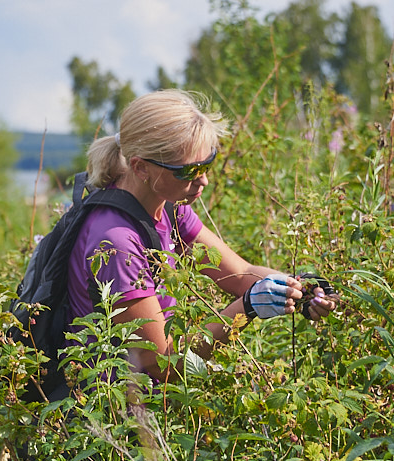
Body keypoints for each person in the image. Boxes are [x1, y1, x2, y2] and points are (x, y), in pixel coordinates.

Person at [66, 89, 337, 384]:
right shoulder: (117, 244)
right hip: (114, 410)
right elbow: (165, 365)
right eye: (189, 171)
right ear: (141, 167)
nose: (204, 180)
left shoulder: (167, 205)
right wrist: (247, 308)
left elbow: (239, 274)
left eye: (208, 163)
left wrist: (301, 289)